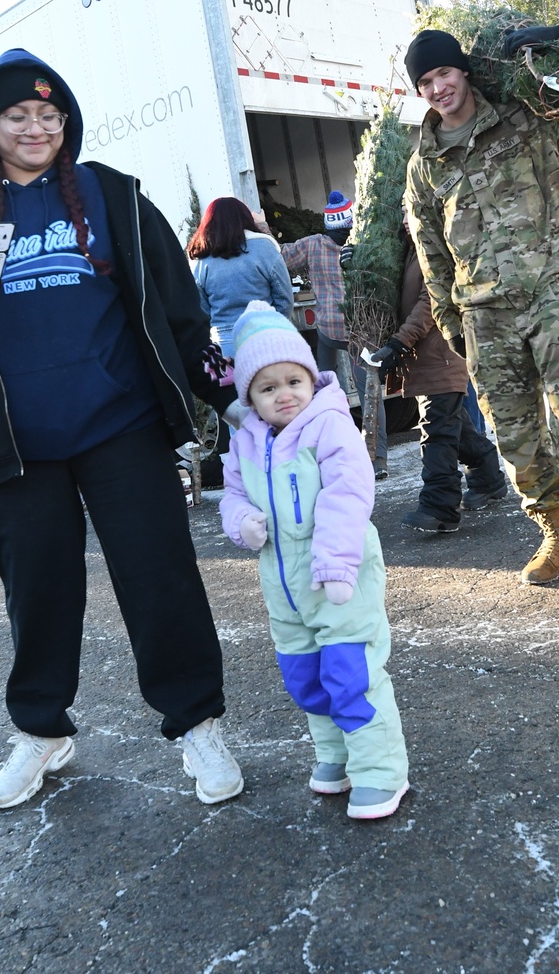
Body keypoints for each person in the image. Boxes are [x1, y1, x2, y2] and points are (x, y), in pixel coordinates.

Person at [0, 49, 245, 810]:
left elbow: (177, 304)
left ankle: (196, 722)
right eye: (18, 115)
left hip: (122, 427)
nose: (35, 127)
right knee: (37, 591)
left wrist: (232, 392)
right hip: (19, 443)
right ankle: (41, 729)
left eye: (49, 115)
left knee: (160, 578)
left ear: (66, 124)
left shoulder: (110, 195)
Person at [403, 29, 559, 595]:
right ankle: (558, 535)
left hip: (549, 292)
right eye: (426, 81)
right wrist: (451, 320)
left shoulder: (523, 117)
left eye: (445, 74)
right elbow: (430, 249)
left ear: (464, 72)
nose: (439, 88)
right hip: (482, 311)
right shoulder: (424, 165)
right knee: (516, 436)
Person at [220, 301, 409, 820]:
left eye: (293, 381)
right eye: (268, 387)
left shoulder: (327, 425)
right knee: (306, 676)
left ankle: (381, 771)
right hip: (281, 586)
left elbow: (348, 494)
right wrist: (240, 522)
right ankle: (337, 755)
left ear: (311, 378)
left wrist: (335, 563)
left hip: (336, 574)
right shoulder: (247, 440)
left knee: (351, 674)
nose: (284, 395)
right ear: (250, 398)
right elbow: (232, 495)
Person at [371, 212, 507, 533]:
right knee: (453, 427)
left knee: (437, 431)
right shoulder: (406, 251)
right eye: (402, 213)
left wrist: (398, 343)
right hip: (424, 357)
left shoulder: (435, 248)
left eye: (412, 213)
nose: (406, 219)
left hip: (443, 351)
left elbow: (431, 301)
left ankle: (440, 505)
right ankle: (488, 477)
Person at [281, 191, 389, 478]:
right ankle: (376, 461)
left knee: (324, 395)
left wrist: (262, 234)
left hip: (329, 330)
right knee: (370, 395)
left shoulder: (313, 245)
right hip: (361, 331)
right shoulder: (366, 245)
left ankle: (330, 456)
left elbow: (279, 258)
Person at [188, 196, 293, 359]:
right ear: (245, 218)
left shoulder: (200, 259)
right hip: (265, 337)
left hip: (224, 346)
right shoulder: (265, 247)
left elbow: (201, 311)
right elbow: (285, 300)